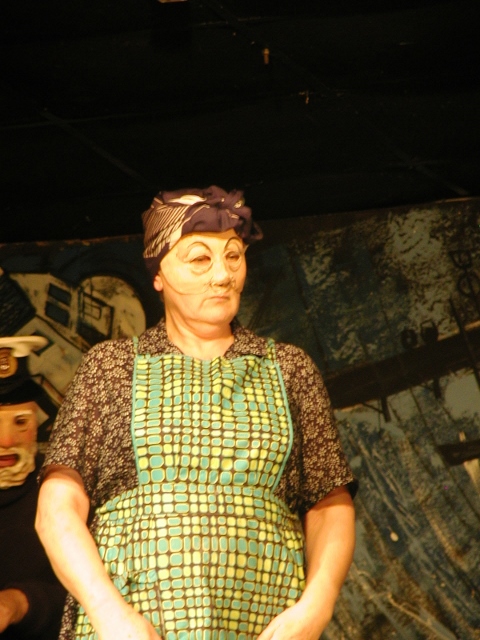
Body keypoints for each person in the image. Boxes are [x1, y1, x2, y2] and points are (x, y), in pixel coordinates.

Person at [36, 185, 357, 640]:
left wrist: (317, 606)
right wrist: (108, 612)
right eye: (200, 259)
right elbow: (57, 509)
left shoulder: (289, 369)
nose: (222, 275)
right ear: (158, 274)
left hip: (263, 624)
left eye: (233, 256)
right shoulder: (112, 368)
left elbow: (329, 504)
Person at [0, 335, 66, 640]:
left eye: (20, 423)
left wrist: (19, 603)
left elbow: (88, 599)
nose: (6, 441)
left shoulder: (62, 491)